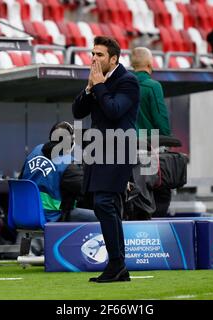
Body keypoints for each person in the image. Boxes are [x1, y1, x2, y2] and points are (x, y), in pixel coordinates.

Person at [72, 36, 140, 283]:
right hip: (98, 150)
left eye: (99, 55)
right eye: (92, 54)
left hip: (119, 150)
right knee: (104, 205)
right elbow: (78, 111)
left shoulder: (128, 81)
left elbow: (114, 110)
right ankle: (118, 265)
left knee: (104, 203)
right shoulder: (96, 81)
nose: (93, 58)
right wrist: (90, 89)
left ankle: (116, 264)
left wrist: (99, 86)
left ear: (114, 58)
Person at [19, 121, 97, 223]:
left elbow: (21, 179)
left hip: (24, 213)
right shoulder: (68, 163)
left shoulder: (35, 151)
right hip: (52, 215)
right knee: (104, 218)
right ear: (72, 143)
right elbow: (86, 190)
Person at [130, 46, 170, 138]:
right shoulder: (153, 86)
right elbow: (160, 117)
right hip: (149, 141)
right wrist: (167, 136)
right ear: (149, 64)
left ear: (133, 64)